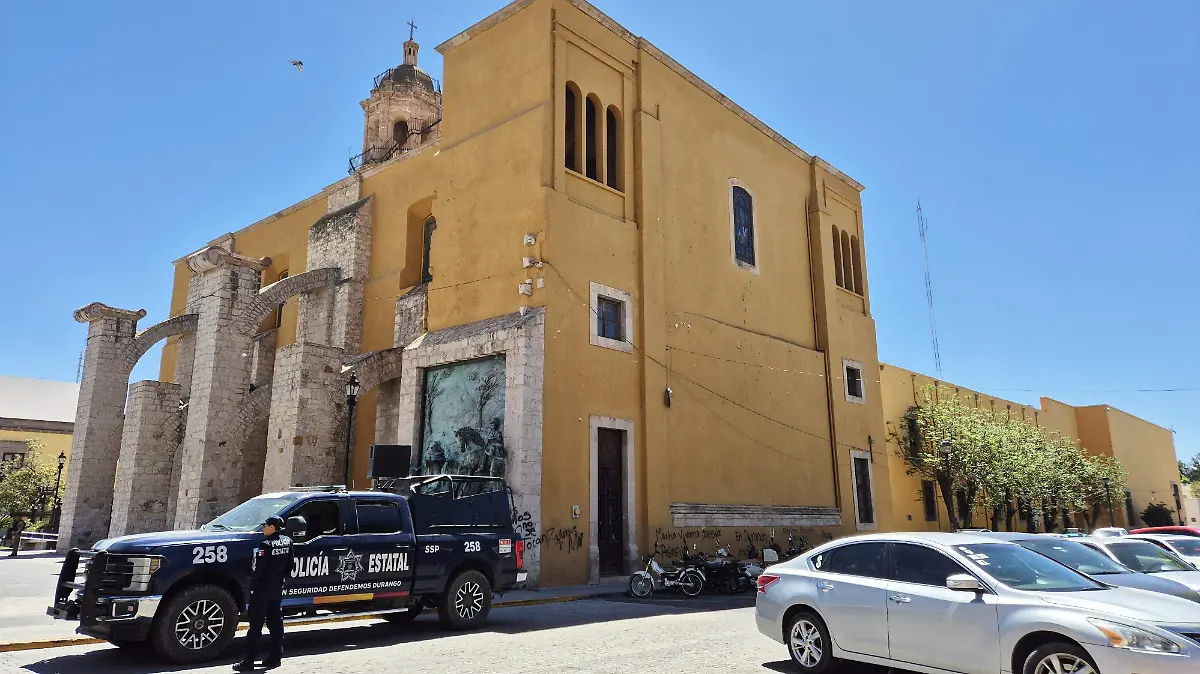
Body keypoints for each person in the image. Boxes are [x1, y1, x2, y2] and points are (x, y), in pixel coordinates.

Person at [235, 515, 292, 671]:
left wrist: (252, 586)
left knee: (255, 627)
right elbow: (289, 566)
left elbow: (259, 570)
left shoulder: (265, 545)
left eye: (265, 526)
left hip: (262, 591)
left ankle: (249, 661)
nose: (263, 528)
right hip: (276, 589)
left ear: (272, 527)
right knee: (276, 624)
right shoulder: (288, 542)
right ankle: (275, 657)